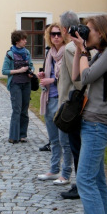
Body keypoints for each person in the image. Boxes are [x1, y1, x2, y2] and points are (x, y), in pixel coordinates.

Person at [71, 14, 107, 214]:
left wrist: (84, 50)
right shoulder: (103, 52)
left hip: (98, 123)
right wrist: (78, 49)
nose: (85, 32)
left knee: (84, 181)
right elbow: (77, 75)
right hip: (92, 122)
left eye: (89, 29)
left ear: (101, 31)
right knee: (98, 181)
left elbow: (86, 76)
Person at [36, 23, 72, 186]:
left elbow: (72, 77)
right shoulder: (50, 53)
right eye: (53, 34)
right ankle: (53, 169)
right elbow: (49, 74)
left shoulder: (68, 52)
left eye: (58, 34)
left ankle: (66, 173)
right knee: (53, 140)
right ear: (48, 37)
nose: (56, 37)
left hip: (62, 100)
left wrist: (53, 80)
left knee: (64, 140)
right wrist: (43, 75)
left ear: (63, 35)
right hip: (48, 98)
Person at [58, 11, 82, 199]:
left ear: (65, 29)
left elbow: (78, 80)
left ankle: (80, 185)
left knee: (76, 147)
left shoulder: (70, 49)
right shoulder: (79, 46)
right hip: (79, 103)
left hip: (73, 104)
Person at [2, 30, 34, 144]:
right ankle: (13, 136)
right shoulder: (10, 54)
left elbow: (31, 65)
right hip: (15, 84)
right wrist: (18, 71)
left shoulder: (27, 52)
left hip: (27, 84)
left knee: (24, 110)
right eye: (23, 39)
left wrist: (31, 71)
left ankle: (22, 135)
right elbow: (4, 71)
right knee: (17, 109)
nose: (25, 41)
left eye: (25, 39)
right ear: (17, 41)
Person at [39, 24, 51, 152]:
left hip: (56, 91)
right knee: (48, 118)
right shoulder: (49, 50)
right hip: (48, 89)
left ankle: (53, 142)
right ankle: (51, 141)